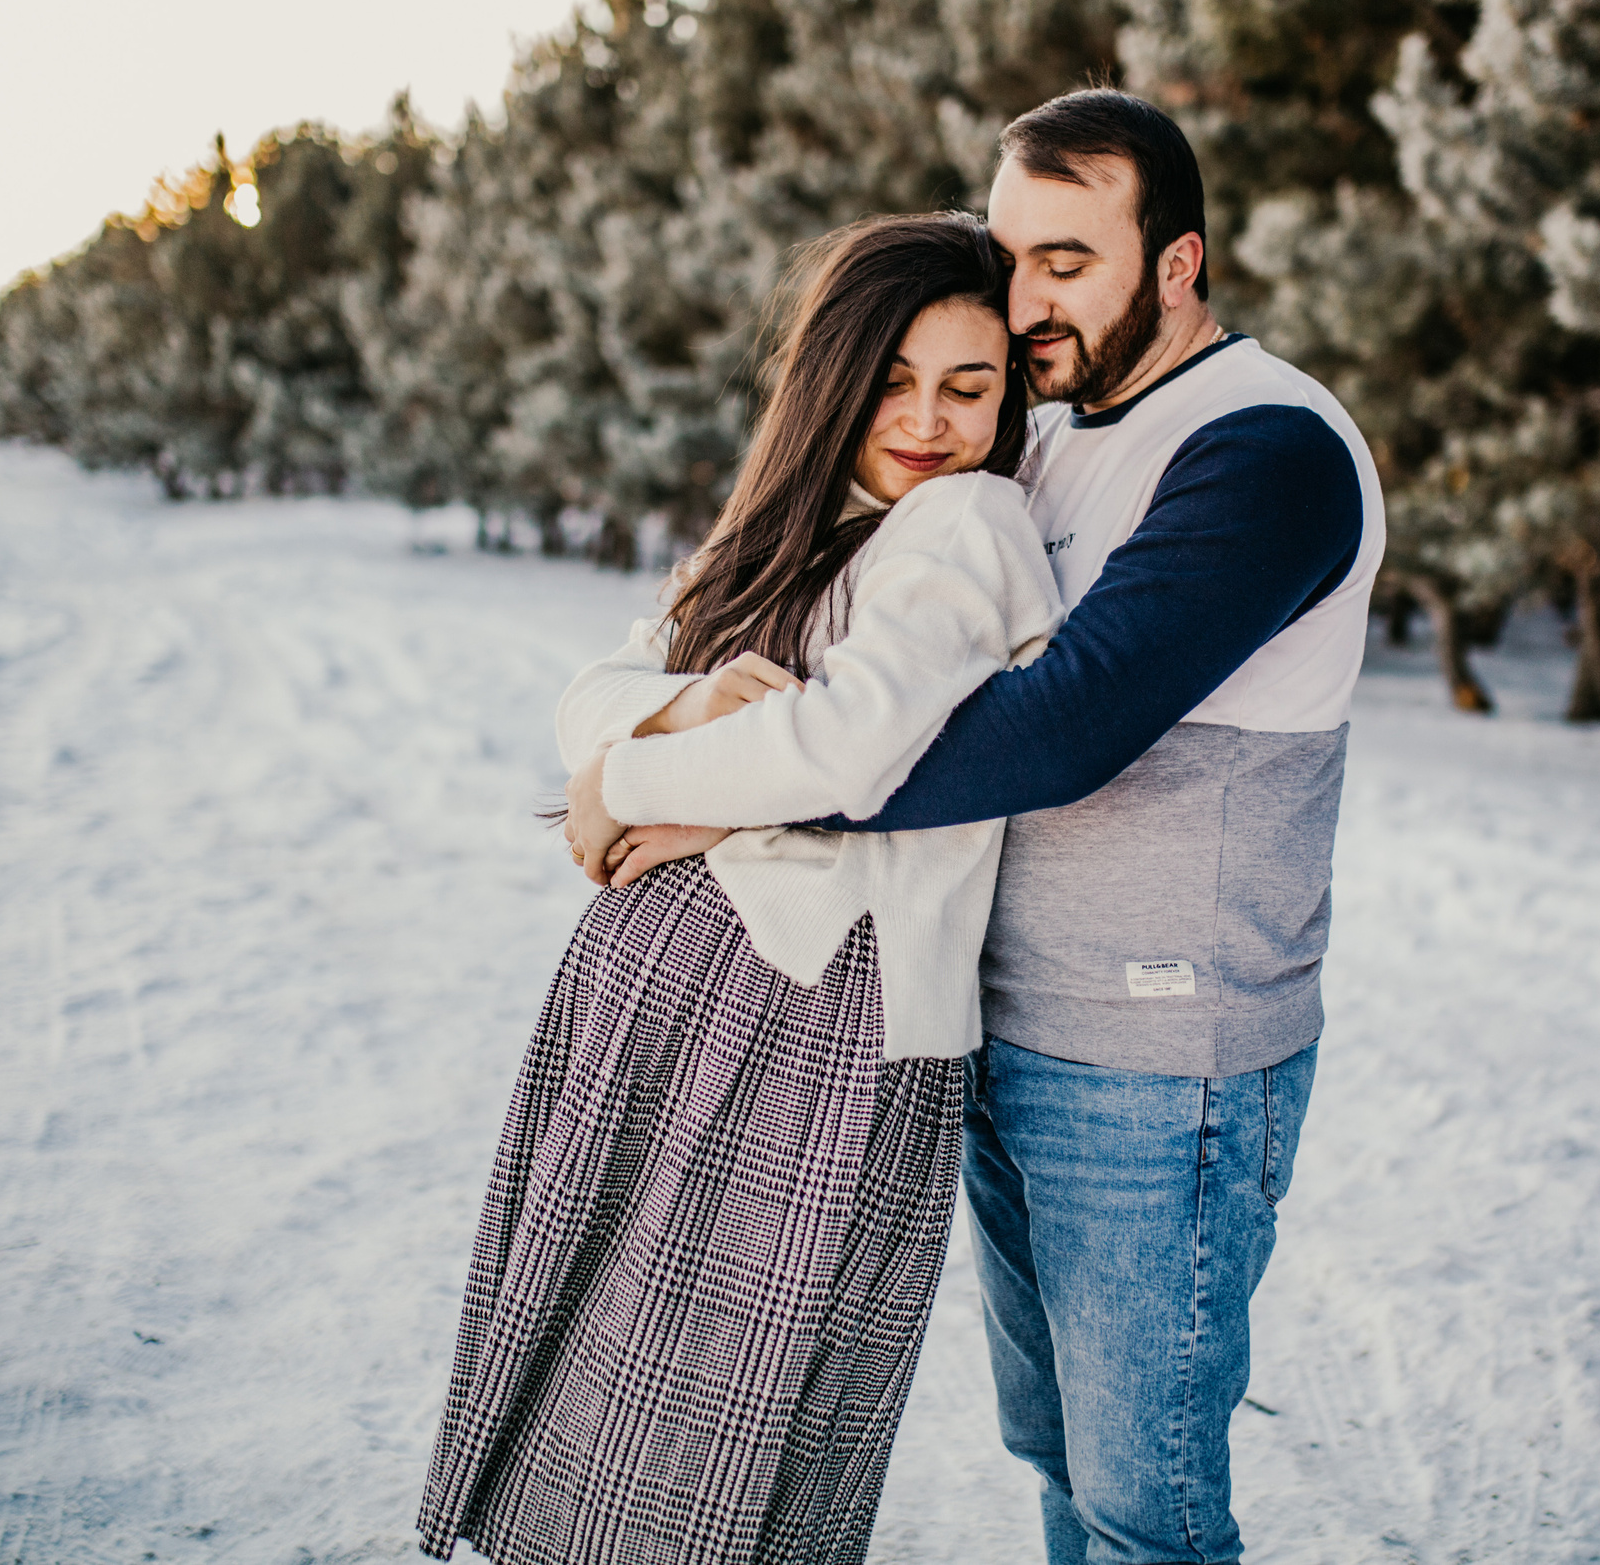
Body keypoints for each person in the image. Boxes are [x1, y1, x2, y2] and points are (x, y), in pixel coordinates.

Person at [574, 89, 1385, 1564]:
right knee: (1064, 1463)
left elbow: (1059, 731)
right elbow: (865, 664)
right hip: (1004, 1038)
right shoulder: (1048, 440)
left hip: (1162, 1062)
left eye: (1066, 261)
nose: (1022, 302)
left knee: (1150, 1511)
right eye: (1010, 255)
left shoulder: (1266, 451)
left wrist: (696, 800)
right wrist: (686, 716)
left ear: (1181, 263)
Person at [413, 213, 1063, 1565]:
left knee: (722, 1445)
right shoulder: (802, 527)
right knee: (605, 1418)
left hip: (813, 1026)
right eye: (894, 378)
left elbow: (844, 747)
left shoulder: (967, 523)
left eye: (970, 385)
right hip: (683, 1009)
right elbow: (589, 694)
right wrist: (691, 705)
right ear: (835, 374)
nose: (930, 419)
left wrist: (630, 790)